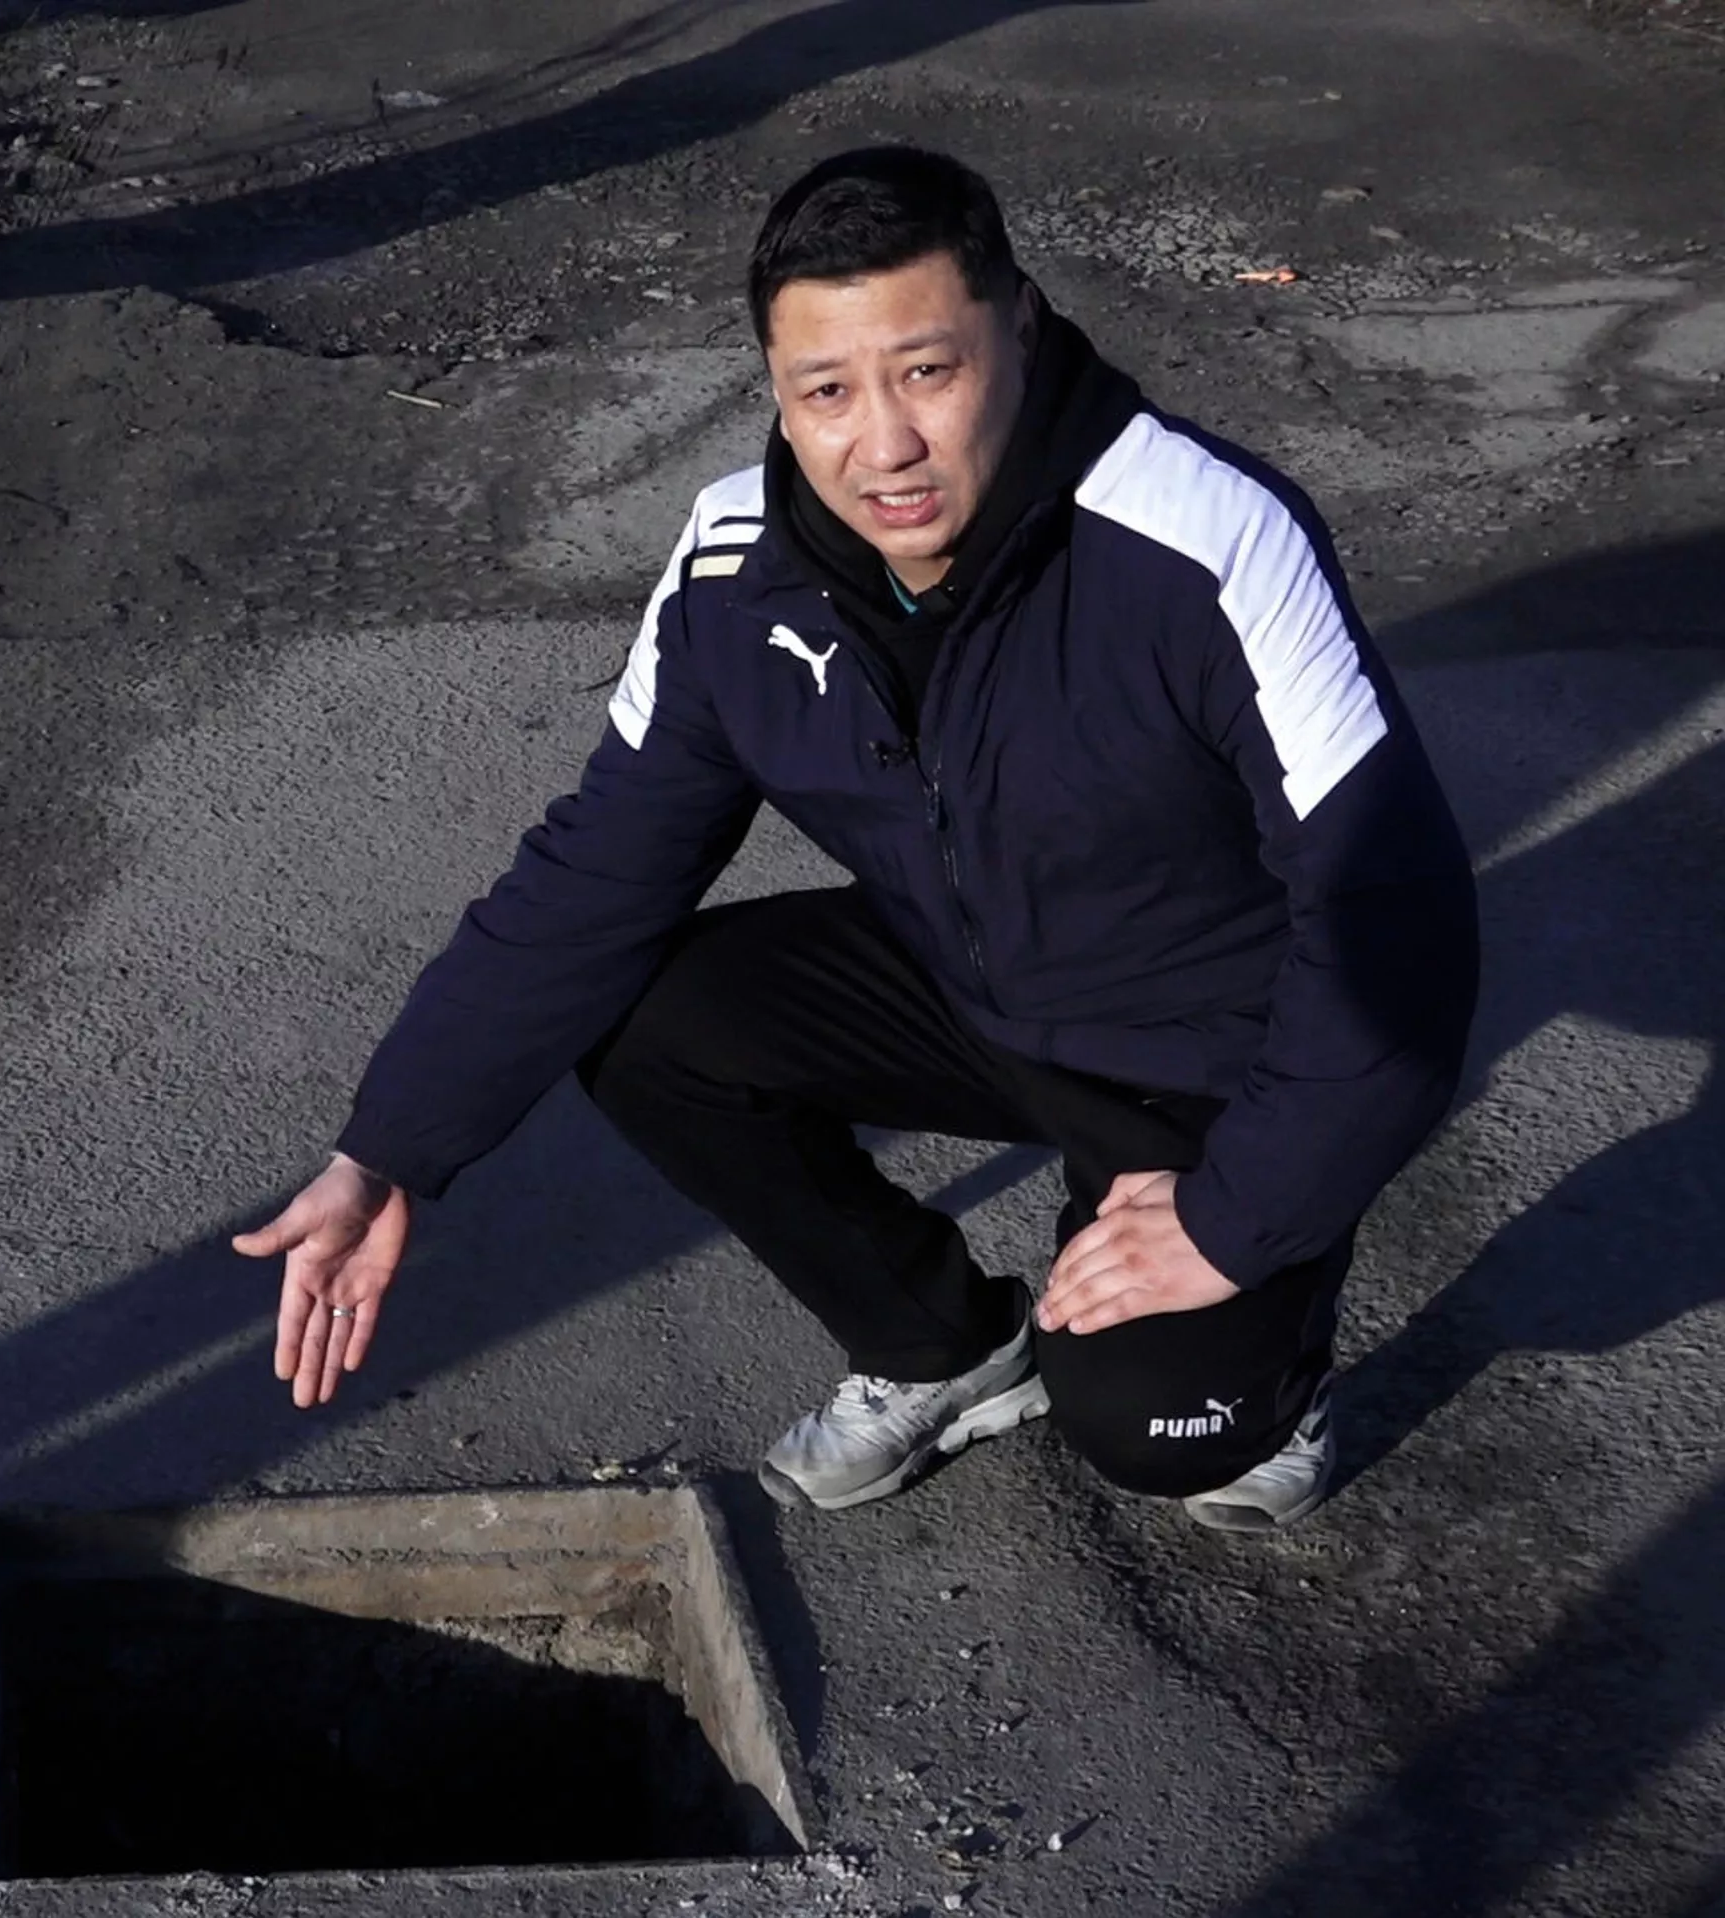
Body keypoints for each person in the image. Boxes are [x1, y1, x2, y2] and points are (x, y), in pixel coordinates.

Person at [234, 147, 1479, 1534]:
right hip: (972, 989)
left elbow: (1396, 924)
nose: (883, 445)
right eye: (826, 391)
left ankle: (1275, 1376)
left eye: (927, 371)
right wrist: (387, 1150)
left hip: (1205, 1057)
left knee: (1153, 1427)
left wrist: (1233, 1214)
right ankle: (940, 1340)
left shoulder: (1206, 537)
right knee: (638, 1015)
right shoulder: (735, 564)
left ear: (1019, 326)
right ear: (776, 386)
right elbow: (593, 874)